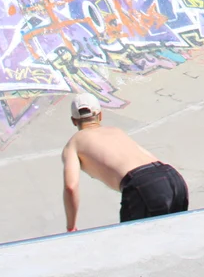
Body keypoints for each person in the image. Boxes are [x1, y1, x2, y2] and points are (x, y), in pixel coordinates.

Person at [61, 94, 188, 230]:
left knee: (133, 244)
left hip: (142, 186)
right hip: (172, 177)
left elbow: (71, 187)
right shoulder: (116, 131)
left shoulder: (73, 144)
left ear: (74, 121)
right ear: (100, 115)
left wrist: (71, 226)